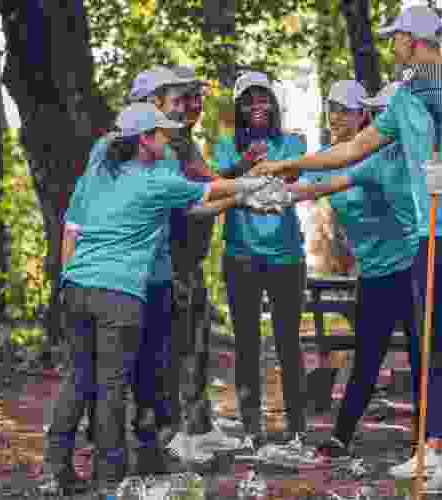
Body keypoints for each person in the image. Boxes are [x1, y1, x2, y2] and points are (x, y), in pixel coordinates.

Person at [253, 5, 442, 494]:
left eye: (396, 38)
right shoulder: (405, 99)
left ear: (414, 40)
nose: (391, 46)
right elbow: (353, 150)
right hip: (427, 239)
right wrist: (287, 165)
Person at [45, 102, 270, 497]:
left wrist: (65, 282)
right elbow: (217, 187)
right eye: (163, 134)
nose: (170, 139)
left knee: (78, 382)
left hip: (77, 288)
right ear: (145, 141)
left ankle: (55, 470)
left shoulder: (100, 172)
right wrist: (256, 184)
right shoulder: (154, 182)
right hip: (119, 295)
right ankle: (110, 480)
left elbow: (73, 228)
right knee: (112, 387)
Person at [281, 80, 422, 462]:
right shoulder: (330, 158)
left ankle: (434, 438)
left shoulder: (381, 155)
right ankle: (342, 436)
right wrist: (248, 190)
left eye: (345, 109)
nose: (336, 116)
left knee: (421, 354)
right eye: (332, 108)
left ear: (364, 115)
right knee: (367, 357)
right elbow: (296, 186)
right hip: (373, 273)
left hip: (410, 267)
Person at [211, 71, 309, 455]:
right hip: (241, 256)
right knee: (247, 345)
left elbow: (298, 172)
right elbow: (216, 184)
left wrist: (268, 166)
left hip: (286, 256)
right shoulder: (224, 146)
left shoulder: (293, 141)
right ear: (238, 106)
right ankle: (253, 429)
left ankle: (296, 430)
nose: (256, 106)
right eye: (248, 100)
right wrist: (244, 163)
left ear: (273, 103)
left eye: (262, 98)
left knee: (288, 344)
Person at [162, 65, 242, 458]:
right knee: (179, 348)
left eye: (196, 97)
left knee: (197, 346)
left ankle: (199, 424)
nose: (191, 106)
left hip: (190, 263)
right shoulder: (165, 145)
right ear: (159, 101)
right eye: (181, 98)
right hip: (169, 263)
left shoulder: (186, 141)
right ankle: (177, 431)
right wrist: (243, 193)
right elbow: (193, 202)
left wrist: (241, 174)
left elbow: (208, 184)